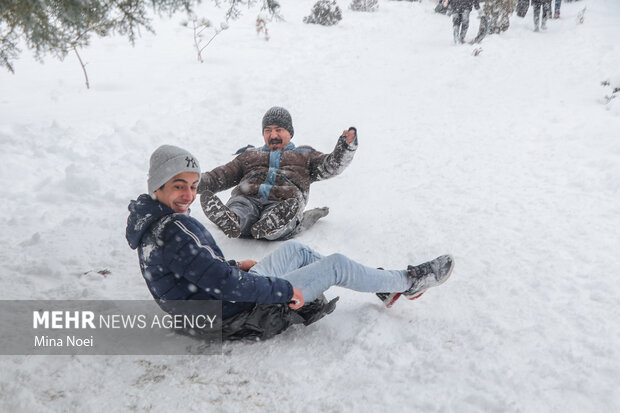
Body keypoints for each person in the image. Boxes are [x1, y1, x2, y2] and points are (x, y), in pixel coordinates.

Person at [126, 145, 455, 340]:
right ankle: (405, 281)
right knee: (336, 265)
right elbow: (224, 285)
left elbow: (196, 271)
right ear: (158, 185)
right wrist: (283, 291)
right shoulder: (171, 231)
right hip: (229, 314)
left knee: (296, 250)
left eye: (194, 186)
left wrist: (233, 265)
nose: (188, 195)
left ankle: (380, 285)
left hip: (208, 309)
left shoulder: (157, 222)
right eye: (178, 186)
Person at [198, 106, 357, 240]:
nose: (273, 135)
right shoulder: (250, 155)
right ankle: (232, 219)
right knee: (241, 206)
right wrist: (189, 181)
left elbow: (331, 166)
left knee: (281, 212)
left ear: (290, 133)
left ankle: (272, 224)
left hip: (283, 202)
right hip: (248, 197)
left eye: (278, 130)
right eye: (268, 130)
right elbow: (220, 176)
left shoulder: (305, 155)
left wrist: (344, 148)